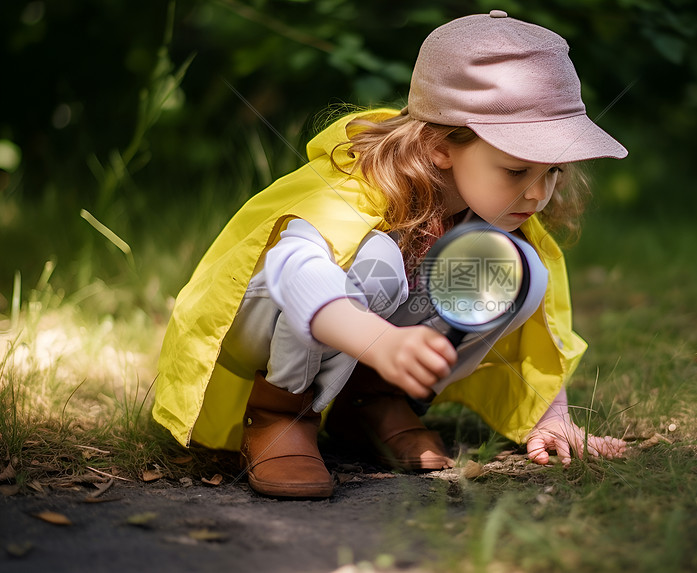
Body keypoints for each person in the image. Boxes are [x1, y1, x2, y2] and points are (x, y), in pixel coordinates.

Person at [153, 10, 627, 499]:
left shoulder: (492, 213)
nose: (538, 195)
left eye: (554, 172)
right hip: (262, 325)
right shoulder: (360, 186)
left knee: (517, 267)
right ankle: (282, 413)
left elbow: (541, 330)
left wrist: (553, 417)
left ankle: (370, 403)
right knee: (374, 259)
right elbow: (293, 271)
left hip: (361, 340)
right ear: (443, 146)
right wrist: (379, 341)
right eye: (517, 170)